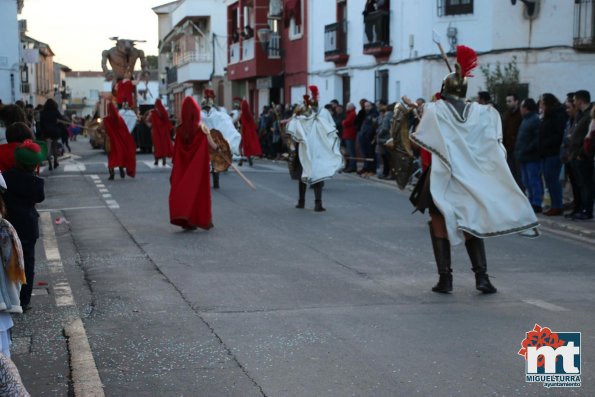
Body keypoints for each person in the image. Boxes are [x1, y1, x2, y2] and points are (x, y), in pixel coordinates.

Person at [410, 45, 539, 294]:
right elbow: (491, 144)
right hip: (472, 177)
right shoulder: (485, 113)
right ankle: (482, 278)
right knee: (472, 223)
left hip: (444, 176)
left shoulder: (435, 110)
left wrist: (417, 109)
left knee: (437, 222)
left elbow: (423, 125)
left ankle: (445, 279)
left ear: (444, 91)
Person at [1, 140, 45, 312]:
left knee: (7, 260)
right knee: (28, 262)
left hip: (8, 225)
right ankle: (24, 299)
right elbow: (39, 198)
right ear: (35, 165)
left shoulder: (6, 177)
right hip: (28, 226)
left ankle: (8, 296)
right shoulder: (36, 183)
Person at [286, 86, 343, 212]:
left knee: (306, 175)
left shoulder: (303, 119)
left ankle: (303, 202)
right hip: (314, 150)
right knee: (316, 175)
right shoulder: (320, 117)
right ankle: (317, 203)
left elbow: (291, 132)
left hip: (306, 151)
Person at [169, 97, 219, 230]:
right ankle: (202, 219)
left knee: (186, 191)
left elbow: (176, 150)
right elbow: (212, 145)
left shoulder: (179, 130)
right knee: (199, 193)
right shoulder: (202, 129)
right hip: (197, 168)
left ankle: (188, 220)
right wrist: (220, 149)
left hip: (183, 167)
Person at [567, 90, 594, 220]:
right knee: (578, 184)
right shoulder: (579, 115)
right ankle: (579, 208)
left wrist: (582, 153)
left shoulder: (590, 115)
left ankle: (587, 210)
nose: (573, 102)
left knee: (586, 184)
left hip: (582, 155)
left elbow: (589, 137)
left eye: (574, 100)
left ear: (580, 100)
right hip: (574, 154)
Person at [538, 93, 566, 216]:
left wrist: (547, 143)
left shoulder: (557, 115)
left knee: (553, 179)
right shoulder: (547, 115)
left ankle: (557, 205)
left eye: (542, 103)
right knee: (549, 180)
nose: (540, 106)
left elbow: (558, 134)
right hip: (546, 152)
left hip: (553, 152)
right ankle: (554, 204)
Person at [515, 98, 543, 213]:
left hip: (531, 156)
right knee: (526, 181)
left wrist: (527, 149)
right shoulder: (525, 120)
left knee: (533, 180)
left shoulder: (534, 120)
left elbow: (536, 139)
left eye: (521, 107)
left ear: (526, 108)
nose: (520, 109)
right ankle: (530, 201)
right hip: (523, 156)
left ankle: (536, 202)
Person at [103, 103, 137, 180]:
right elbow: (125, 131)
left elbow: (104, 129)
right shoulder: (120, 119)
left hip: (111, 143)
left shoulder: (106, 120)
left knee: (111, 158)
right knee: (120, 156)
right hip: (119, 143)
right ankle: (121, 171)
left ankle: (112, 174)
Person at [502, 93, 523, 189]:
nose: (508, 103)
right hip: (508, 149)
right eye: (507, 101)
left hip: (518, 149)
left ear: (516, 102)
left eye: (510, 101)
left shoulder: (521, 115)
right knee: (511, 174)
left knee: (519, 175)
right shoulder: (506, 115)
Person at [39, 99, 65, 171]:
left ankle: (50, 163)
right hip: (55, 132)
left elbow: (41, 123)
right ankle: (55, 161)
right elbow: (61, 119)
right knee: (54, 147)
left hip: (46, 132)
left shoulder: (43, 112)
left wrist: (42, 132)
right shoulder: (55, 111)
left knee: (48, 149)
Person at [239, 99, 262, 166]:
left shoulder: (243, 114)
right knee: (245, 146)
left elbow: (240, 122)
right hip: (247, 132)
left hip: (244, 132)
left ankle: (241, 160)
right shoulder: (248, 114)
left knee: (241, 146)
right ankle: (248, 160)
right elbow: (252, 123)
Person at [150, 99, 173, 165]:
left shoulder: (153, 112)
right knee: (164, 145)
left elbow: (149, 120)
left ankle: (156, 160)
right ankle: (164, 160)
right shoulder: (164, 111)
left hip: (156, 131)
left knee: (156, 146)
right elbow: (167, 120)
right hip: (164, 132)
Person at [342, 103, 357, 172]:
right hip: (347, 134)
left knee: (351, 152)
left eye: (348, 106)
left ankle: (352, 167)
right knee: (348, 152)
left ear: (351, 107)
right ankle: (349, 166)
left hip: (350, 134)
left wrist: (343, 122)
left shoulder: (352, 114)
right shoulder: (349, 114)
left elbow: (346, 123)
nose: (346, 107)